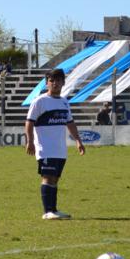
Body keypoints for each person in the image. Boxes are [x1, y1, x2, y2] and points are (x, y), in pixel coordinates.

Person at [25, 68, 86, 220]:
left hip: (60, 149)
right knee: (47, 177)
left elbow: (70, 123)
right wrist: (30, 141)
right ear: (46, 83)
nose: (55, 83)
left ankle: (54, 210)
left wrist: (78, 140)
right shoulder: (40, 101)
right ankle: (47, 211)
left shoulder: (64, 102)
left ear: (63, 83)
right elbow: (29, 122)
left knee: (55, 179)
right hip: (45, 148)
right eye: (51, 81)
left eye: (58, 80)